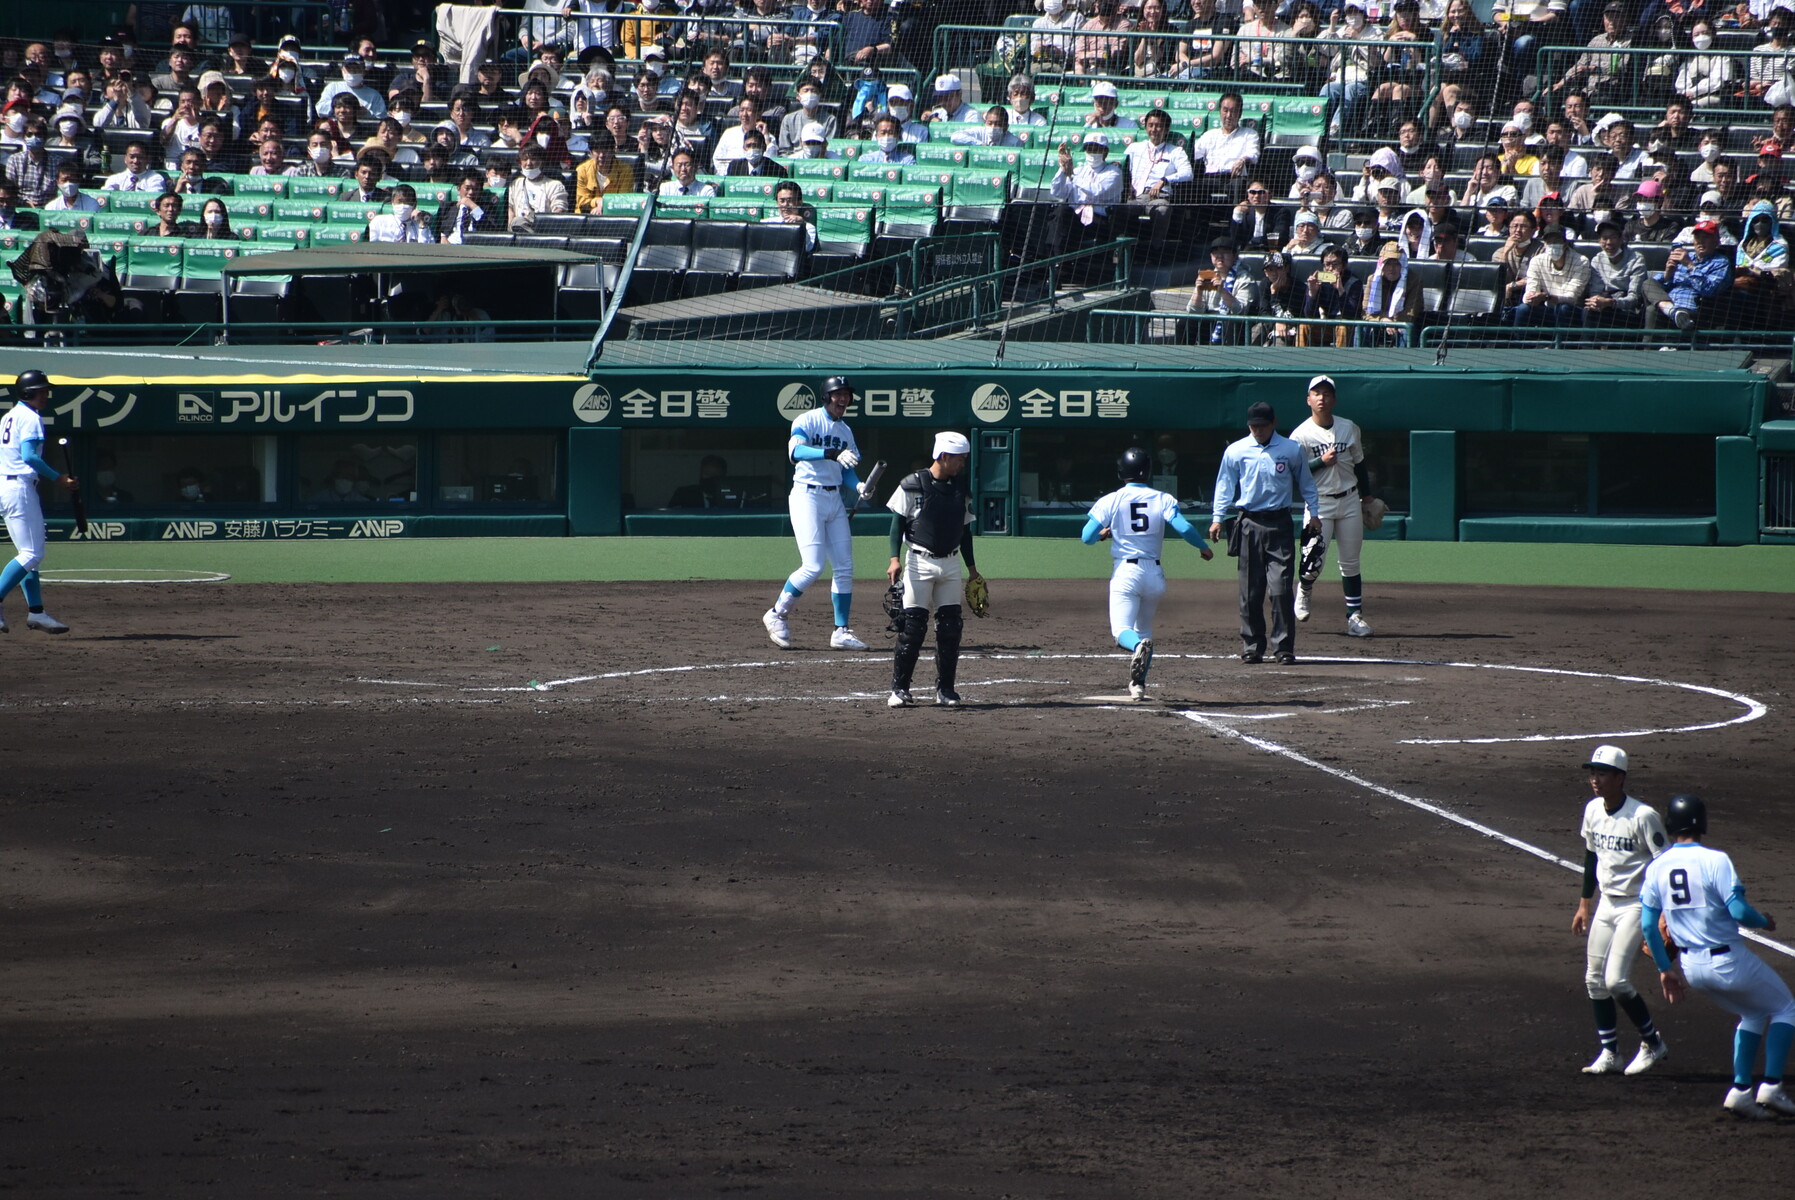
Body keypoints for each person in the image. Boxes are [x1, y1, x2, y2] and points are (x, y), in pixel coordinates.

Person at [1641, 793, 1795, 1119]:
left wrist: (1665, 969)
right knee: (1786, 1008)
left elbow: (1648, 927)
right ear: (1701, 823)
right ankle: (1771, 1086)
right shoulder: (1715, 860)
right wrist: (1764, 922)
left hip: (1691, 968)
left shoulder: (1656, 867)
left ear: (1670, 825)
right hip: (1728, 962)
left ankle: (1740, 1091)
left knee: (1753, 1012)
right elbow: (1739, 912)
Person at [1569, 744, 1672, 1078]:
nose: (1595, 779)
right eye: (1592, 773)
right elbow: (1590, 856)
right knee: (1594, 979)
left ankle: (1652, 1043)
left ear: (1620, 777)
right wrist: (1584, 904)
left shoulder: (1643, 816)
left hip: (1636, 905)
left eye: (1602, 773)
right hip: (1607, 903)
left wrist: (1663, 912)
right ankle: (1610, 1053)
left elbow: (1665, 863)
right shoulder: (1592, 810)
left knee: (1616, 980)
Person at [1081, 446, 1214, 701]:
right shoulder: (1162, 498)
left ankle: (1137, 647)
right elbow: (1184, 528)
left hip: (1126, 572)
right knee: (1144, 631)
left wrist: (1102, 534)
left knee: (1123, 632)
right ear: (1148, 471)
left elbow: (1086, 537)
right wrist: (1203, 547)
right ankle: (1138, 685)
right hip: (1154, 574)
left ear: (1121, 472)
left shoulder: (1112, 499)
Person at [763, 376, 872, 653]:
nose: (843, 399)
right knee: (813, 566)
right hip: (807, 496)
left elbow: (847, 470)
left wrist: (858, 486)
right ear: (826, 396)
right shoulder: (807, 419)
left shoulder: (846, 431)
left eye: (846, 395)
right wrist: (831, 453)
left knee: (844, 567)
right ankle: (776, 614)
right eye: (838, 394)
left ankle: (841, 631)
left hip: (834, 499)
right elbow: (796, 451)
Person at [1209, 402, 1319, 666]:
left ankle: (1283, 647)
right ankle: (1252, 646)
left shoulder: (1291, 449)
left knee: (1280, 589)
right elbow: (1225, 485)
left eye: (1262, 425)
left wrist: (1315, 513)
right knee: (1250, 591)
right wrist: (1217, 518)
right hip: (1248, 523)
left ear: (1273, 424)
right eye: (1253, 426)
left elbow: (1306, 483)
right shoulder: (1236, 450)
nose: (1258, 430)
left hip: (1280, 523)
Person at [885, 431, 981, 708]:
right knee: (912, 627)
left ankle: (946, 690)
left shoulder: (961, 489)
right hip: (919, 562)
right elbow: (897, 524)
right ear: (944, 456)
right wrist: (894, 559)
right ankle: (900, 690)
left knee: (950, 628)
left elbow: (965, 532)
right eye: (959, 458)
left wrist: (972, 570)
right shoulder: (911, 485)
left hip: (951, 564)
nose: (962, 463)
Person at [1288, 376, 1372, 637]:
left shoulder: (1349, 428)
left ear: (1334, 399)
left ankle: (1355, 617)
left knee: (1350, 562)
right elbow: (1293, 473)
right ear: (1308, 400)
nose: (1321, 398)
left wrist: (1368, 497)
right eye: (1316, 394)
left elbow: (1360, 464)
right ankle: (1304, 590)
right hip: (1318, 504)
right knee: (1312, 560)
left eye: (1326, 393)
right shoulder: (1300, 435)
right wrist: (1320, 462)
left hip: (1350, 500)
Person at [0, 371, 76, 634]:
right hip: (19, 487)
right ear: (27, 392)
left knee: (28, 555)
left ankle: (37, 612)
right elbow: (30, 456)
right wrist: (59, 478)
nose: (45, 395)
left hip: (7, 485)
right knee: (32, 554)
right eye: (40, 391)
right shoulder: (30, 417)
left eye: (45, 391)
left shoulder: (9, 416)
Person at [1645, 218, 1731, 329]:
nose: (1700, 241)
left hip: (1691, 307)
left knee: (1652, 309)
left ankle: (1674, 315)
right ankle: (1672, 312)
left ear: (1716, 241)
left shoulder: (1721, 262)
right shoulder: (1686, 256)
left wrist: (1690, 265)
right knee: (1648, 284)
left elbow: (1709, 290)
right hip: (1668, 304)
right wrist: (1668, 275)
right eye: (1697, 237)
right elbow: (1658, 285)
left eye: (1705, 237)